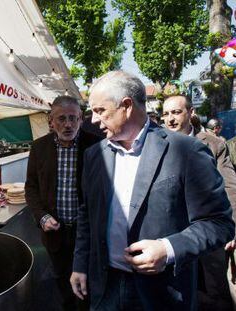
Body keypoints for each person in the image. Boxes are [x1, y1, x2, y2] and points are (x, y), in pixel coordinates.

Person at [70, 71, 234, 310]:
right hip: (106, 286)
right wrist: (80, 265)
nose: (93, 120)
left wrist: (168, 249)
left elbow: (219, 222)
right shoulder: (94, 155)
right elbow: (87, 215)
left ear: (126, 106)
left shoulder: (187, 151)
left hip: (163, 292)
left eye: (99, 111)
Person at [25, 95, 102, 310]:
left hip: (86, 234)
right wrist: (42, 216)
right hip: (55, 233)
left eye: (73, 118)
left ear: (80, 119)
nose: (67, 124)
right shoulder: (39, 148)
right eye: (61, 119)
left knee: (87, 283)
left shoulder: (95, 146)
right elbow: (31, 188)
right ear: (51, 121)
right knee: (62, 282)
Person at [163, 95, 236, 310]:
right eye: (166, 114)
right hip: (172, 233)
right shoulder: (157, 143)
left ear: (191, 112)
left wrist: (232, 227)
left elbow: (230, 187)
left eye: (176, 112)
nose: (170, 119)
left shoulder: (214, 144)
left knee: (216, 294)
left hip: (209, 233)